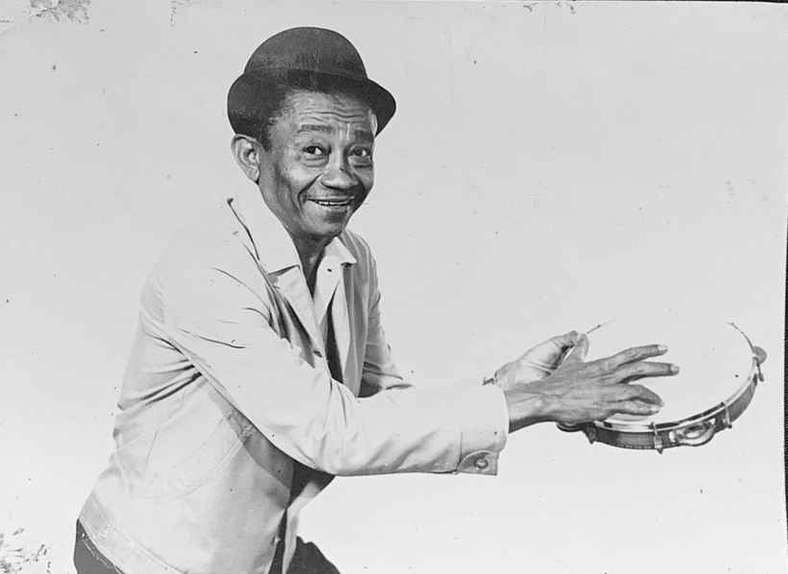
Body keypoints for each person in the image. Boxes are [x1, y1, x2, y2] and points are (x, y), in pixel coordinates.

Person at [74, 27, 683, 574]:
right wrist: (536, 403)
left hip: (266, 553)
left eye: (359, 152)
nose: (343, 176)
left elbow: (375, 403)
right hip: (149, 560)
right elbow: (330, 433)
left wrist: (507, 386)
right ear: (251, 157)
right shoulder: (204, 269)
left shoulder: (352, 257)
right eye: (314, 150)